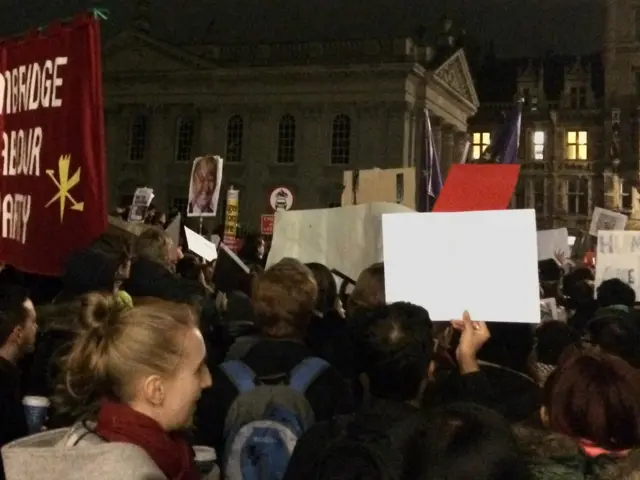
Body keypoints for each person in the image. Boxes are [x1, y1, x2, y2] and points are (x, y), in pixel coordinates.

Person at [1, 294, 213, 480]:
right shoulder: (126, 471)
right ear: (155, 390)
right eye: (198, 369)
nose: (208, 381)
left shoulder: (103, 443)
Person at [0, 285, 37, 480]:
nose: (37, 328)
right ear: (18, 333)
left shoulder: (12, 375)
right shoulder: (4, 386)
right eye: (33, 322)